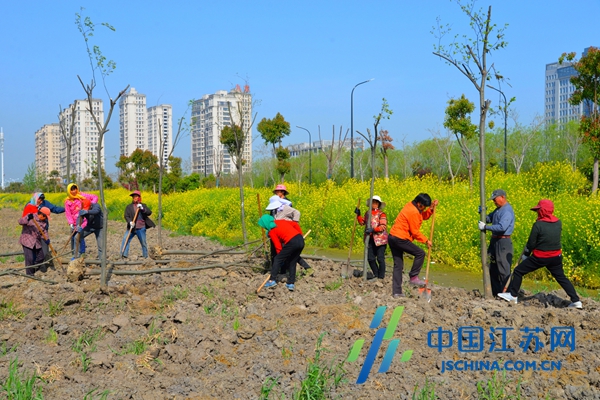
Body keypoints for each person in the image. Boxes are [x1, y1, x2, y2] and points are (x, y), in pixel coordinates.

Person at [498, 199, 582, 309]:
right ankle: (576, 301)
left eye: (539, 210)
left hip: (540, 257)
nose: (537, 213)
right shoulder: (558, 222)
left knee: (518, 271)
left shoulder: (538, 225)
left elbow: (531, 243)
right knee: (561, 277)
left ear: (542, 211)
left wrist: (526, 254)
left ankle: (513, 296)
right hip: (556, 257)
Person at [388, 193, 438, 298]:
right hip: (399, 238)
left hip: (392, 237)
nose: (423, 209)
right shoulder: (413, 211)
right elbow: (415, 232)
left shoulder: (411, 205)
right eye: (423, 206)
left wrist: (431, 209)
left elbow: (422, 216)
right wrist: (426, 240)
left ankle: (396, 292)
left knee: (398, 265)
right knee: (420, 253)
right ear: (419, 203)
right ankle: (413, 277)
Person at [478, 189, 515, 297]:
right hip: (495, 241)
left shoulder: (507, 210)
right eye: (493, 200)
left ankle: (508, 294)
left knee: (503, 269)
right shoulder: (498, 210)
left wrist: (486, 227)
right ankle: (496, 292)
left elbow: (502, 227)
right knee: (491, 267)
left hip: (503, 242)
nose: (494, 202)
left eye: (495, 199)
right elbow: (488, 218)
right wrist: (482, 213)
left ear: (503, 197)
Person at [258, 214, 304, 291]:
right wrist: (300, 234)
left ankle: (272, 280)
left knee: (277, 259)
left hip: (291, 242)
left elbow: (278, 247)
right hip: (300, 240)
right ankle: (291, 283)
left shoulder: (272, 231)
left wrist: (280, 259)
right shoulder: (280, 221)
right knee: (293, 261)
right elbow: (295, 224)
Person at [355, 195, 388, 280]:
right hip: (370, 239)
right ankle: (376, 274)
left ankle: (381, 277)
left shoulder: (381, 214)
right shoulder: (367, 213)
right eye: (373, 202)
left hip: (380, 239)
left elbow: (383, 227)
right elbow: (362, 222)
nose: (374, 204)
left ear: (379, 204)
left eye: (376, 202)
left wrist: (373, 230)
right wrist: (359, 215)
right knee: (370, 258)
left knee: (380, 258)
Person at [65, 183, 98, 258]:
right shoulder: (67, 201)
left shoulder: (82, 195)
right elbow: (68, 213)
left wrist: (91, 205)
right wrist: (70, 223)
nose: (74, 191)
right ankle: (74, 253)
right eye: (72, 190)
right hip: (73, 222)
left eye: (75, 189)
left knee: (80, 236)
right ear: (69, 191)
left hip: (82, 220)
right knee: (73, 237)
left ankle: (82, 253)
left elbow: (95, 197)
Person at [121, 190, 155, 258]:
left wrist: (142, 208)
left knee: (143, 242)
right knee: (125, 239)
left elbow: (149, 212)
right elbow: (126, 216)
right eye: (133, 197)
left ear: (139, 197)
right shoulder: (129, 207)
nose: (134, 198)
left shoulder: (143, 205)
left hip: (141, 227)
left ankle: (145, 256)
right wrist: (130, 222)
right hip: (132, 227)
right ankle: (124, 254)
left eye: (136, 196)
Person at [18, 207, 51, 276]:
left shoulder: (43, 222)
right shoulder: (31, 216)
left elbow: (44, 232)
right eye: (45, 217)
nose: (46, 219)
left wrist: (47, 239)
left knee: (41, 256)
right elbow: (20, 221)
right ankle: (30, 274)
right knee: (29, 258)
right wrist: (27, 218)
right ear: (42, 215)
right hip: (27, 241)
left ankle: (34, 269)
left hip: (36, 242)